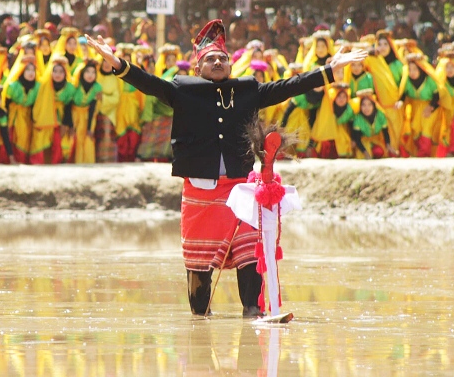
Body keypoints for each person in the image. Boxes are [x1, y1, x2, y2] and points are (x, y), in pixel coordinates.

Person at [86, 19, 366, 316]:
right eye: (210, 59)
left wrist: (328, 72)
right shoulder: (183, 90)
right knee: (199, 269)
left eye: (222, 58)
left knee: (249, 256)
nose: (218, 62)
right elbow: (149, 83)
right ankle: (200, 328)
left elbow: (287, 87)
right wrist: (117, 63)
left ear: (231, 66)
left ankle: (254, 315)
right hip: (200, 191)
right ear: (198, 68)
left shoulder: (247, 89)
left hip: (241, 188)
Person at [3, 54, 40, 164]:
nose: (31, 73)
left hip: (27, 117)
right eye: (27, 70)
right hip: (13, 117)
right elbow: (6, 104)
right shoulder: (12, 86)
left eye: (33, 70)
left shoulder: (38, 86)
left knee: (25, 140)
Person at [70, 61, 102, 164]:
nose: (90, 75)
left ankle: (88, 163)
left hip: (89, 116)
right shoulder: (74, 86)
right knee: (75, 139)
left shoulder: (98, 88)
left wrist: (90, 127)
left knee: (88, 138)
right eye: (87, 72)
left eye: (93, 72)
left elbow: (96, 106)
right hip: (74, 115)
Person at [351, 91, 397, 159]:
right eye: (363, 105)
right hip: (363, 142)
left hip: (376, 140)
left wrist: (388, 146)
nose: (366, 108)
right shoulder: (358, 119)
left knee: (379, 152)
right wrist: (366, 153)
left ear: (373, 105)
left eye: (369, 104)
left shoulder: (380, 116)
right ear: (360, 106)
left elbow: (385, 132)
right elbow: (357, 139)